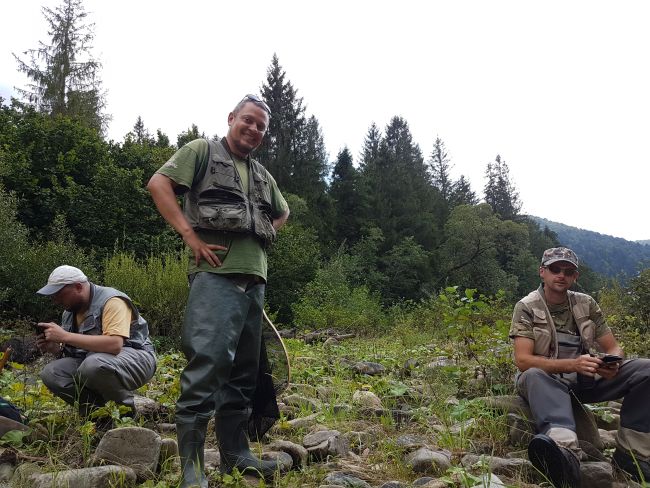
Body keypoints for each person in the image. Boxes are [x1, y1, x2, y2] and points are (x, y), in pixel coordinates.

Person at [147, 94, 289, 486]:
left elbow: (283, 211)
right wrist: (190, 236)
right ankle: (191, 468)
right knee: (206, 367)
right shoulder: (202, 151)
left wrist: (263, 231)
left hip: (255, 282)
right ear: (231, 118)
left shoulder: (262, 174)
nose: (254, 129)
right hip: (216, 277)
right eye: (248, 120)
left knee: (244, 374)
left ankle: (236, 456)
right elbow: (158, 184)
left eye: (261, 126)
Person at [510, 247, 650, 486]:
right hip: (544, 380)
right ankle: (566, 455)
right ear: (542, 271)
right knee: (534, 374)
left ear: (575, 276)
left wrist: (611, 363)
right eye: (555, 269)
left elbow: (614, 347)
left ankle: (632, 455)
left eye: (568, 271)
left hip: (583, 379)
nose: (561, 275)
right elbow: (522, 360)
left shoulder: (586, 303)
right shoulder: (526, 306)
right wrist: (573, 364)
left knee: (646, 370)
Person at [36, 265, 156, 418]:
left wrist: (65, 336)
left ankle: (125, 414)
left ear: (78, 287)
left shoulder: (112, 301)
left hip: (138, 359)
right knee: (51, 373)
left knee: (93, 365)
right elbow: (76, 355)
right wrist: (56, 349)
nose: (55, 300)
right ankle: (98, 416)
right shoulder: (69, 313)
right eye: (53, 296)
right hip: (96, 361)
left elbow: (115, 345)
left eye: (59, 294)